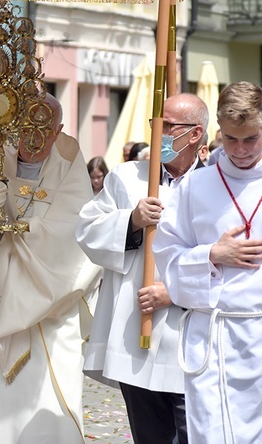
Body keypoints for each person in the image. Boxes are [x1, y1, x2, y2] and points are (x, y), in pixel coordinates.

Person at [0, 94, 100, 443]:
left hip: (45, 315)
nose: (34, 137)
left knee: (41, 400)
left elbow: (77, 240)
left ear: (58, 131)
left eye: (44, 129)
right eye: (27, 127)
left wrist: (22, 232)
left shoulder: (70, 172)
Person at [153, 81, 262, 443]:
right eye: (231, 139)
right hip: (213, 334)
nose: (240, 150)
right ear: (219, 130)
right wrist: (210, 255)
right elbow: (167, 253)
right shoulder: (194, 187)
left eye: (249, 139)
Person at [75, 93, 209, 444]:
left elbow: (223, 256)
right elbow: (87, 231)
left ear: (195, 135)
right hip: (138, 334)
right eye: (155, 125)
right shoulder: (126, 177)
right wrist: (131, 220)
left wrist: (176, 290)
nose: (158, 134)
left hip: (191, 336)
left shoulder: (215, 186)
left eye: (168, 127)